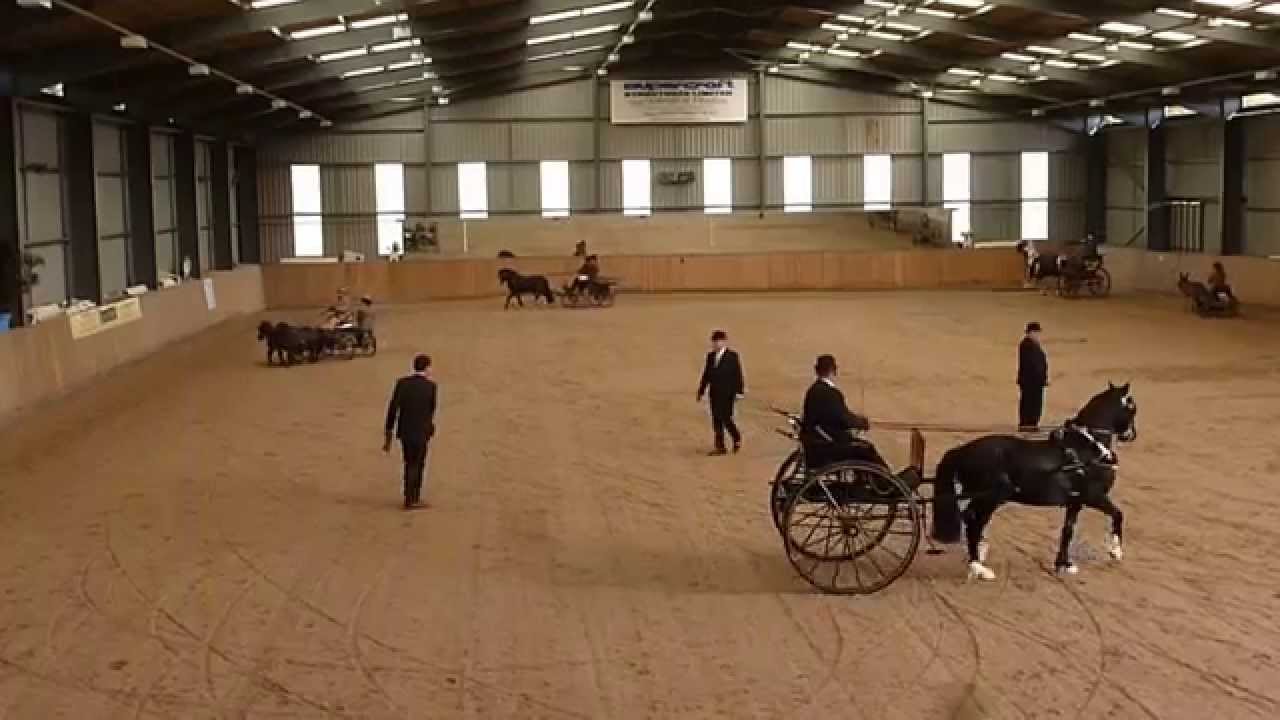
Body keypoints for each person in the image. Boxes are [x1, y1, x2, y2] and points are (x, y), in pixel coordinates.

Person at [800, 355, 887, 470]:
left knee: (862, 446)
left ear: (816, 370)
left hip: (819, 444)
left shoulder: (813, 390)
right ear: (834, 370)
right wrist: (860, 423)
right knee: (866, 449)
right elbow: (842, 418)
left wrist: (856, 421)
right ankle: (885, 483)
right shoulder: (829, 393)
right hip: (828, 447)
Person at [383, 354, 438, 509]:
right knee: (418, 464)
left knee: (409, 462)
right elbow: (431, 410)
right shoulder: (431, 387)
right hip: (421, 432)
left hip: (405, 431)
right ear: (427, 367)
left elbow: (393, 409)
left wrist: (389, 431)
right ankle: (414, 497)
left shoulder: (402, 384)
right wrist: (430, 427)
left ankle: (408, 495)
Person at [696, 330, 745, 455]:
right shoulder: (711, 356)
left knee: (726, 418)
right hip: (715, 393)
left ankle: (736, 437)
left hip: (728, 393)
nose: (717, 344)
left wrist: (739, 391)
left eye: (719, 341)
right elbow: (706, 374)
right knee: (716, 419)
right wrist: (701, 391)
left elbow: (738, 374)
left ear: (724, 342)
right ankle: (720, 446)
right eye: (715, 342)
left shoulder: (732, 356)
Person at [1017, 322, 1048, 432]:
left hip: (1035, 381)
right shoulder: (1027, 344)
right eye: (1036, 332)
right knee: (1030, 403)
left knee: (1034, 403)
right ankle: (1028, 424)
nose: (1037, 334)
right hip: (1031, 381)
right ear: (1030, 332)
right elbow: (1032, 364)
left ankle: (1031, 423)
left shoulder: (1032, 344)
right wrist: (1040, 377)